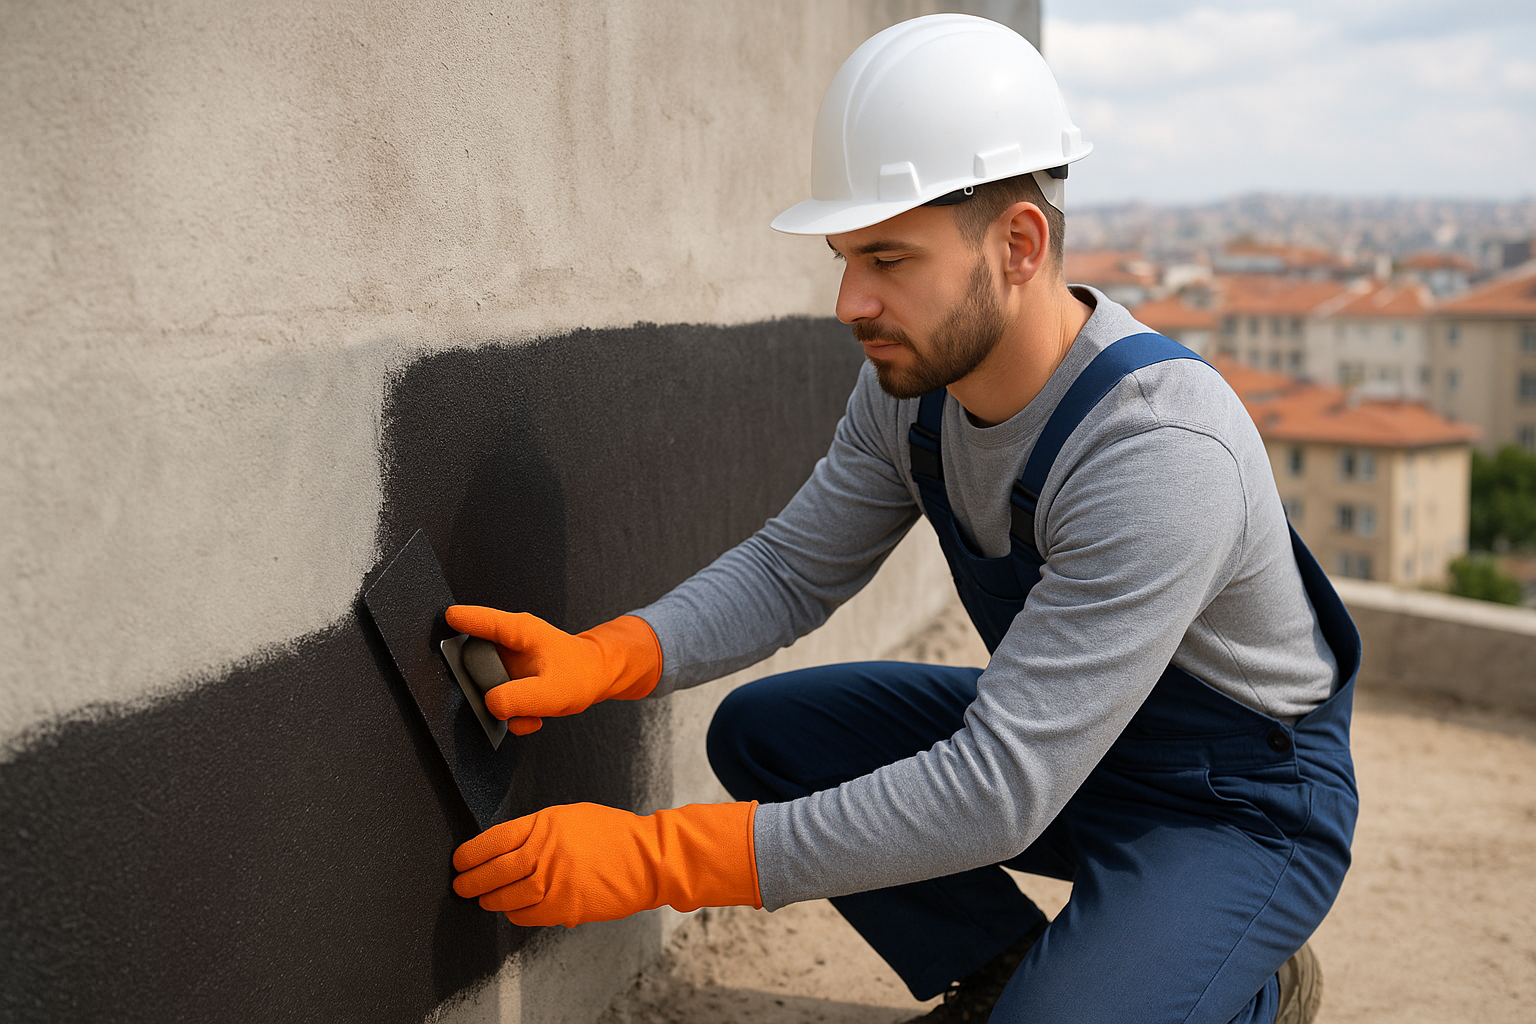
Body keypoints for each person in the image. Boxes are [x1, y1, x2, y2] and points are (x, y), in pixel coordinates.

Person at [446, 15, 1359, 1024]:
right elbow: (792, 568)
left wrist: (661, 857)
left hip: (1234, 803)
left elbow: (996, 788)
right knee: (772, 735)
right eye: (845, 257)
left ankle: (1244, 978)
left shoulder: (1156, 450)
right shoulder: (918, 391)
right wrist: (608, 657)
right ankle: (1006, 964)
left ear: (1019, 244)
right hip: (1074, 746)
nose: (851, 300)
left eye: (888, 257)